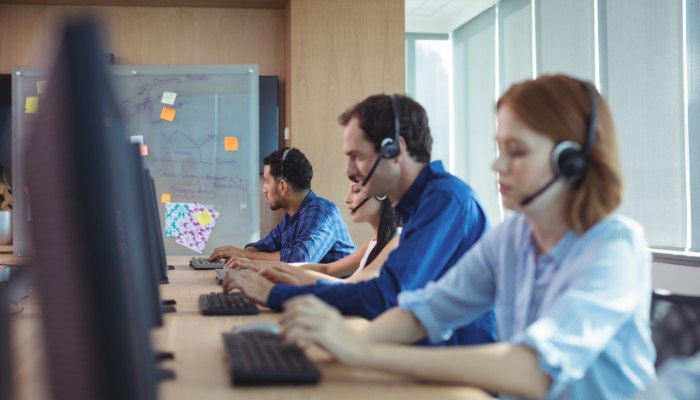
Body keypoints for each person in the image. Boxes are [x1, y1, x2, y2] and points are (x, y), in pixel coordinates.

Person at [275, 75, 657, 400]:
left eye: (517, 151)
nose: (497, 165)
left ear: (569, 162)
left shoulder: (615, 247)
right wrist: (338, 346)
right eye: (499, 148)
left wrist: (359, 351)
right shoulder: (511, 240)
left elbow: (535, 368)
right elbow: (425, 311)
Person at [224, 94, 497, 347]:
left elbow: (385, 296)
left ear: (395, 150)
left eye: (358, 156)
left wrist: (276, 295)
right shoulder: (423, 205)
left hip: (456, 376)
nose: (349, 170)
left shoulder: (446, 201)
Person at [225, 181, 402, 285]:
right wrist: (257, 264)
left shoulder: (396, 243)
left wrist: (270, 269)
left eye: (355, 190)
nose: (347, 198)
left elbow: (347, 285)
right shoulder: (374, 243)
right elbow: (328, 269)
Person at [209, 147, 356, 263]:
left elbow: (299, 260)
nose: (264, 189)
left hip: (337, 300)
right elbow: (264, 246)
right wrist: (241, 255)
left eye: (266, 182)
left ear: (282, 187)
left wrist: (243, 255)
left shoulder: (321, 212)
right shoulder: (291, 216)